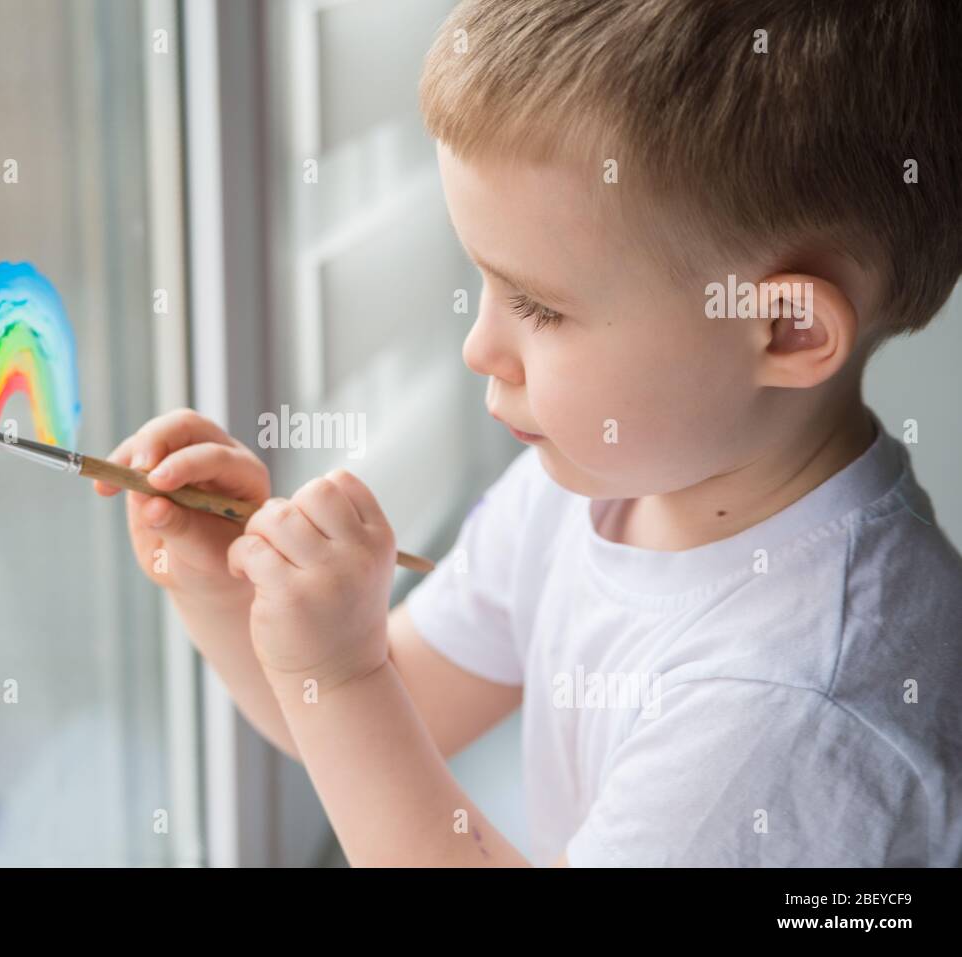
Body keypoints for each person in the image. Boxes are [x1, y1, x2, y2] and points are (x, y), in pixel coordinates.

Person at [96, 0, 962, 866]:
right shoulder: (593, 479)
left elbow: (364, 700)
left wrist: (345, 679)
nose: (479, 347)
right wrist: (226, 589)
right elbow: (398, 712)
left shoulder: (792, 706)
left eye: (540, 306)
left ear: (786, 331)